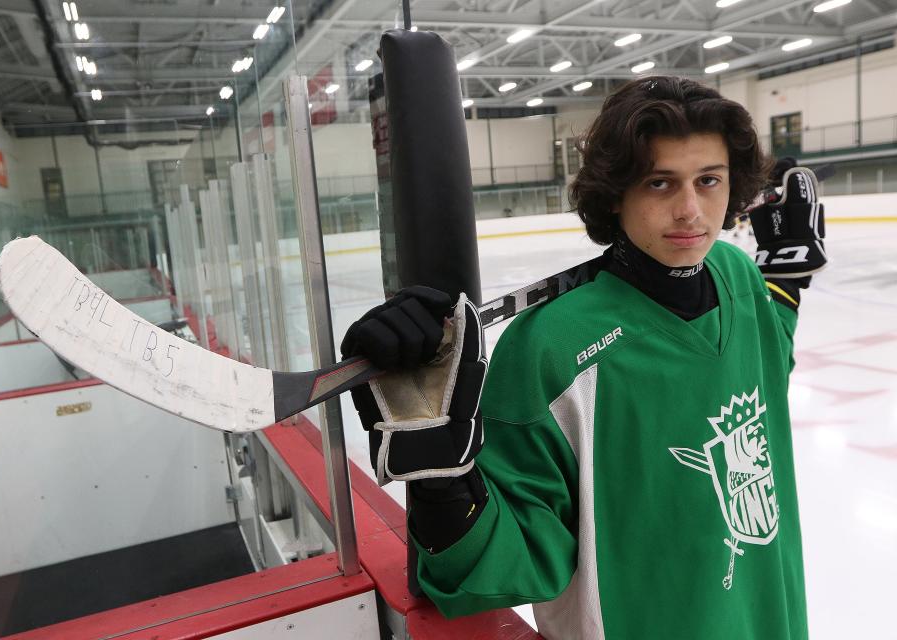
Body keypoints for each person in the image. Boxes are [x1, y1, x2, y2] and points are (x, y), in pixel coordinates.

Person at [340, 76, 825, 639]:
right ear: (617, 192)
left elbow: (759, 369)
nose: (691, 210)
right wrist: (444, 485)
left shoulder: (737, 275)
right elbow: (508, 562)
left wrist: (785, 287)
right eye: (660, 183)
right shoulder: (553, 348)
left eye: (708, 180)